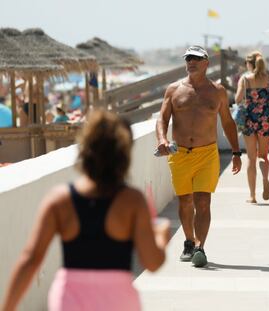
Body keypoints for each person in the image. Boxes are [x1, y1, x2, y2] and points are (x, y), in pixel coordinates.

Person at [1, 109, 170, 311]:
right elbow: (152, 262)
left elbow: (30, 260)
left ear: (85, 150)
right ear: (124, 154)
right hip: (118, 300)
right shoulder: (132, 201)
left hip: (69, 300)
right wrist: (161, 236)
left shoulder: (60, 200)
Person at [156, 45, 242, 268]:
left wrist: (236, 152)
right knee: (186, 202)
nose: (191, 62)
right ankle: (188, 241)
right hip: (180, 154)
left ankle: (200, 247)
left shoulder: (218, 91)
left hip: (207, 154)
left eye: (195, 58)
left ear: (206, 62)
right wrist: (162, 140)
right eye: (188, 59)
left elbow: (227, 122)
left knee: (203, 201)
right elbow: (162, 119)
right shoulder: (173, 90)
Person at [235, 51, 269, 204]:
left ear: (249, 64)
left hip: (249, 119)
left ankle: (252, 195)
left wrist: (246, 95)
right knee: (263, 156)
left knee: (251, 158)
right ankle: (265, 179)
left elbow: (237, 99)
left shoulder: (245, 79)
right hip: (265, 119)